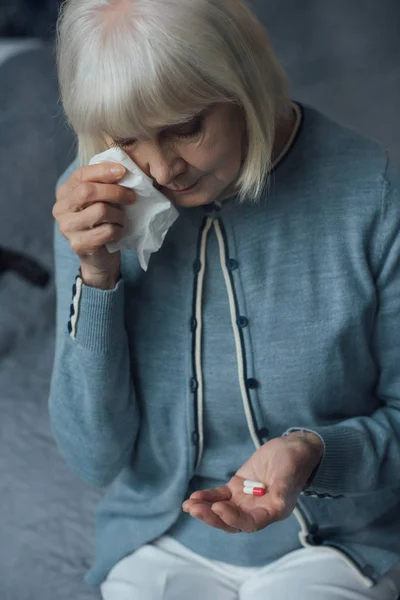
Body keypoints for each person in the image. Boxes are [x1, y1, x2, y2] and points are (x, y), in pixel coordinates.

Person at [49, 0, 400, 598]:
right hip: (158, 538)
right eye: (130, 137)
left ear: (245, 83)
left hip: (336, 540)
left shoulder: (372, 192)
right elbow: (94, 460)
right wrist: (97, 276)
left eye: (187, 126)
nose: (160, 169)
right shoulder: (92, 206)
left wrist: (313, 452)